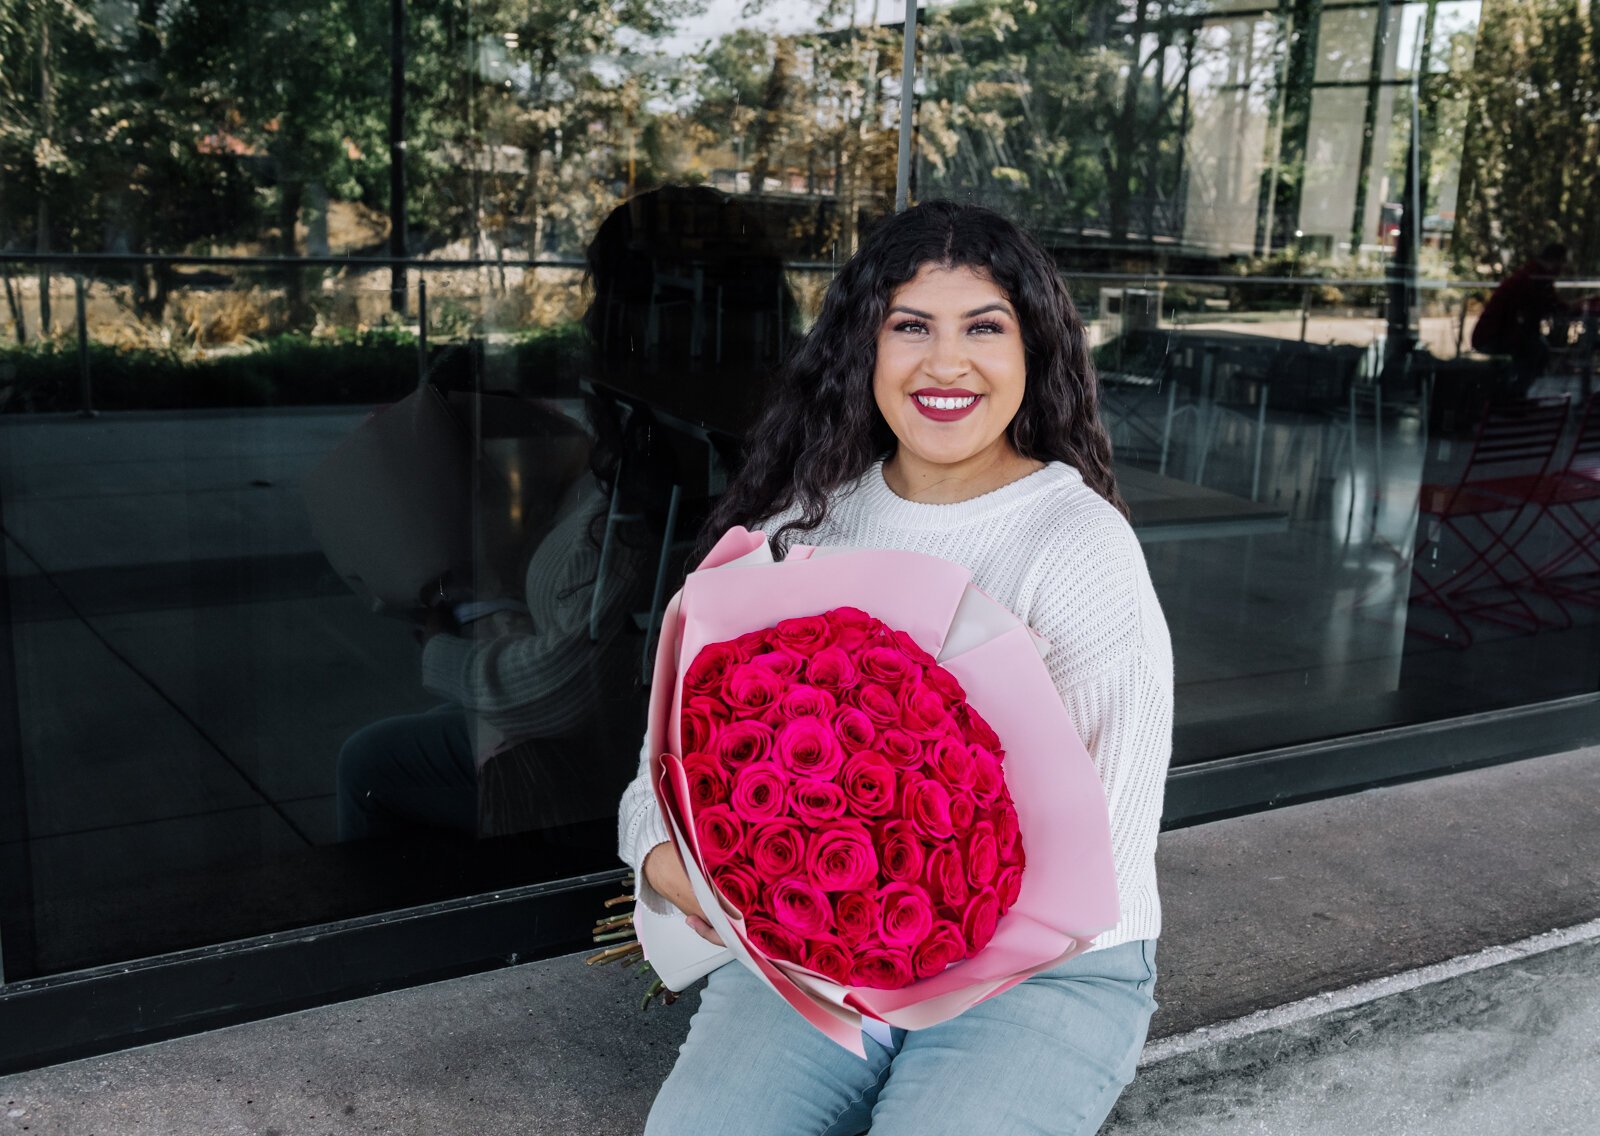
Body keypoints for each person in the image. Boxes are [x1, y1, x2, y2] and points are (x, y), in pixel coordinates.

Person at [616, 201, 1173, 1135]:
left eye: (983, 328)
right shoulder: (807, 522)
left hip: (1050, 967)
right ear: (862, 350)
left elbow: (1106, 850)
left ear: (1032, 350)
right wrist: (675, 866)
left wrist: (894, 940)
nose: (945, 362)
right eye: (909, 325)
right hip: (815, 951)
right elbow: (665, 769)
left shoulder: (1077, 543)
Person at [1471, 242, 1571, 394]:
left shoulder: (1533, 276)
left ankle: (1515, 397)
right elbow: (1545, 308)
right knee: (1537, 351)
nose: (1563, 269)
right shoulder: (1534, 279)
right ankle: (1514, 398)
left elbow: (1550, 306)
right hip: (1493, 338)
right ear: (1555, 261)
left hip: (1497, 336)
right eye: (1563, 262)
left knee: (1537, 349)